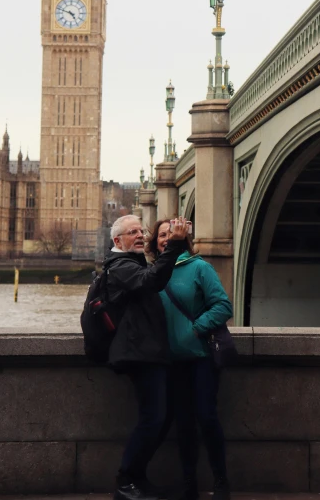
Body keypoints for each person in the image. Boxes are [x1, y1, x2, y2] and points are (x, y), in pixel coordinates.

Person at [104, 213, 189, 500]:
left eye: (141, 230)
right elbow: (150, 282)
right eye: (132, 232)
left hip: (150, 351)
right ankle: (125, 480)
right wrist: (175, 246)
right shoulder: (119, 266)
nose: (140, 235)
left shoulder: (133, 263)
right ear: (117, 241)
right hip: (138, 353)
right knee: (153, 418)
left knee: (161, 418)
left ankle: (137, 478)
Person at [148, 219, 233, 500]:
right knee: (183, 424)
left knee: (207, 418)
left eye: (170, 233)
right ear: (154, 242)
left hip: (200, 358)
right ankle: (189, 484)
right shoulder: (151, 274)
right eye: (161, 235)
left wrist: (196, 328)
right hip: (169, 363)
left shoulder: (199, 268)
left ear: (181, 237)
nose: (165, 238)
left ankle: (221, 480)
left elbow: (223, 305)